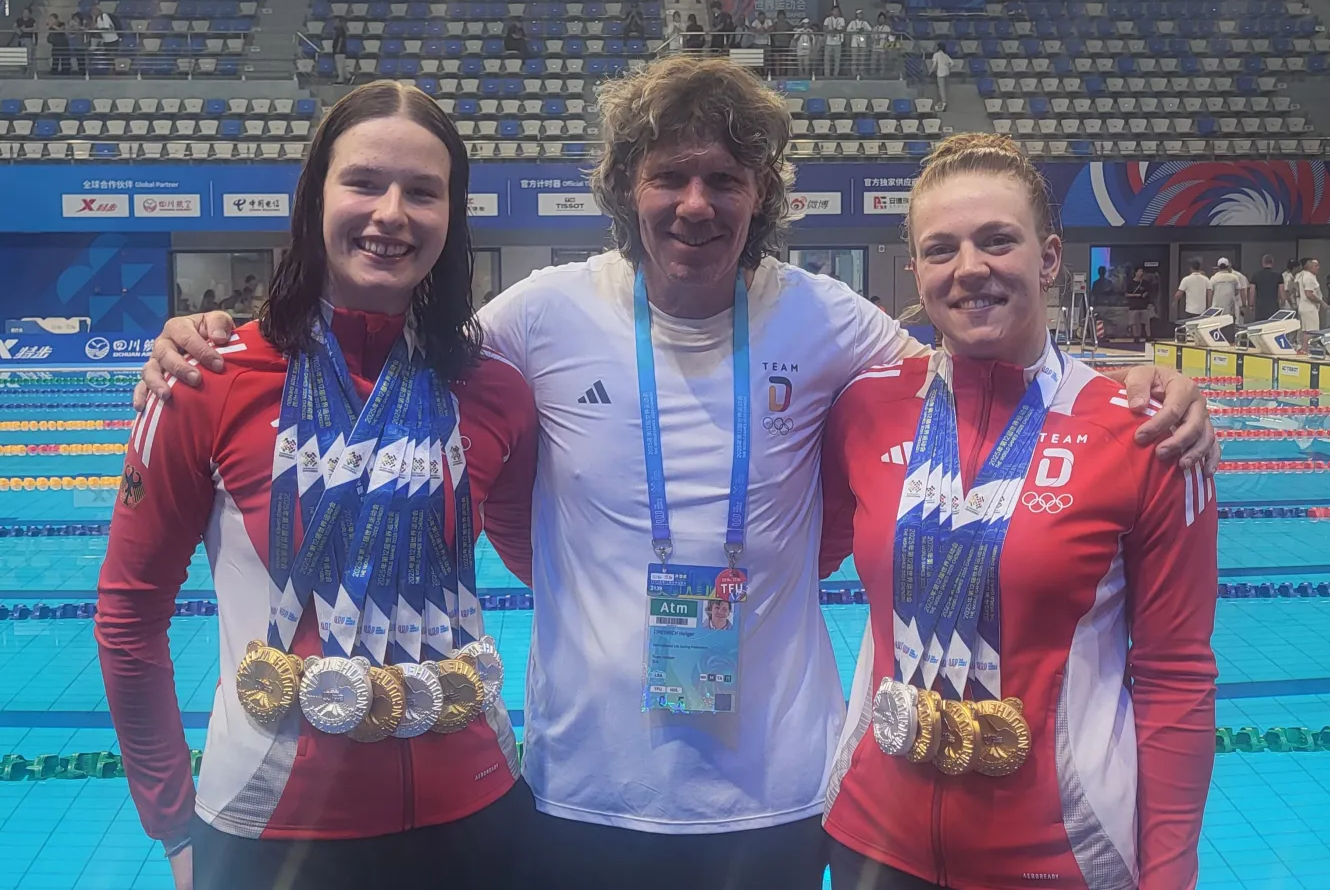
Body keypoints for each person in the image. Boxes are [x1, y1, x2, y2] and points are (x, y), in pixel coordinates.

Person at [134, 56, 1217, 890]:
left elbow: (969, 374)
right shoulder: (538, 317)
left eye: (724, 179)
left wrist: (1139, 382)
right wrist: (201, 338)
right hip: (578, 790)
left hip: (779, 795)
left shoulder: (830, 320)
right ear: (626, 189)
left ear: (760, 196)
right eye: (668, 176)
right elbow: (444, 412)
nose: (695, 203)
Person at [99, 82, 538, 890]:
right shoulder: (205, 379)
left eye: (423, 191)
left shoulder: (494, 390)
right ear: (314, 198)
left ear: (452, 215)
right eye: (364, 182)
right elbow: (128, 617)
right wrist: (173, 825)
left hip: (480, 816)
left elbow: (546, 558)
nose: (391, 213)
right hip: (269, 831)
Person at [819, 133, 1218, 890]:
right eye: (941, 249)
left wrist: (1170, 874)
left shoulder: (1145, 431)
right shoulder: (864, 409)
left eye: (997, 240)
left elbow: (1176, 674)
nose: (970, 267)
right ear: (916, 272)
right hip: (873, 844)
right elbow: (793, 558)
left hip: (1057, 857)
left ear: (1049, 257)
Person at [1207, 258, 1240, 336]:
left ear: (1218, 267)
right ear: (1228, 266)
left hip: (1216, 309)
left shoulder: (1213, 278)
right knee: (1229, 329)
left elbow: (1210, 292)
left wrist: (1209, 306)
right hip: (1230, 308)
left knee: (1217, 328)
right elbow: (1237, 291)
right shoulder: (1234, 278)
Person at [1296, 257, 1324, 345]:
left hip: (1303, 306)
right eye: (1316, 266)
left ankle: (1303, 348)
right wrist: (1321, 302)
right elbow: (1309, 294)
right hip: (1309, 307)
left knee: (1305, 331)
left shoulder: (1302, 275)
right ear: (1310, 267)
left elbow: (1295, 285)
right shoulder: (1309, 278)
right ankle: (1304, 349)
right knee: (1311, 331)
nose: (1318, 268)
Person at [1251, 254, 1283, 320]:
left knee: (1260, 324)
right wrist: (1282, 302)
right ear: (1272, 263)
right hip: (1273, 306)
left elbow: (1252, 291)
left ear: (1262, 262)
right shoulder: (1278, 275)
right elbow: (1281, 291)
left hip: (1260, 307)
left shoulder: (1256, 275)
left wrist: (1251, 305)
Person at [1126, 265, 1152, 341]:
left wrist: (1145, 294)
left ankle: (1148, 336)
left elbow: (1148, 291)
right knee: (1134, 323)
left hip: (1143, 306)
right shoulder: (1130, 283)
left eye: (1142, 271)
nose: (1141, 273)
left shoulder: (1145, 283)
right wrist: (1135, 295)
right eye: (1140, 271)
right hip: (1134, 306)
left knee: (1146, 322)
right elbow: (1126, 294)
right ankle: (1136, 336)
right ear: (1135, 272)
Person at [927, 42, 952, 111]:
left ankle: (943, 102)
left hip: (940, 73)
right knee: (945, 88)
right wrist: (947, 67)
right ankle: (941, 102)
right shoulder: (946, 55)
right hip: (946, 72)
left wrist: (930, 71)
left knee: (941, 89)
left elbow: (935, 64)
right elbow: (952, 63)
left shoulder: (936, 55)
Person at [823, 4, 846, 77]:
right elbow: (824, 28)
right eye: (835, 11)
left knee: (837, 60)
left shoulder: (841, 19)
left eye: (838, 11)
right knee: (827, 60)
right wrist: (832, 32)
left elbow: (843, 29)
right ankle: (827, 75)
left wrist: (835, 31)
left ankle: (836, 74)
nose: (837, 12)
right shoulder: (827, 19)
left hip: (837, 43)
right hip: (828, 42)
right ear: (832, 12)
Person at [330, 16, 349, 83]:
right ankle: (348, 77)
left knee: (339, 65)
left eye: (336, 21)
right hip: (341, 50)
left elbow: (340, 39)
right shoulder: (341, 30)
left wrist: (338, 48)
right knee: (342, 65)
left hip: (340, 51)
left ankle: (340, 79)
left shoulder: (339, 30)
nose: (335, 23)